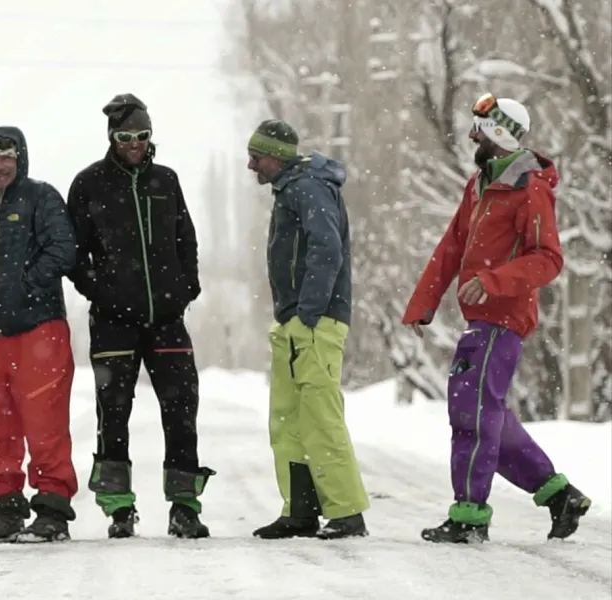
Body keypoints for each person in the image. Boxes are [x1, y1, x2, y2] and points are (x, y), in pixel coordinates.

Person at [401, 94, 592, 544]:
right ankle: (560, 495)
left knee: (473, 413)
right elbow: (452, 246)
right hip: (479, 321)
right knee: (488, 417)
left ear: (499, 135)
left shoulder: (530, 189)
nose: (471, 136)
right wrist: (422, 304)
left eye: (479, 129)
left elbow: (548, 259)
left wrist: (493, 280)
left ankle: (469, 518)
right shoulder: (479, 186)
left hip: (503, 319)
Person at [66, 93, 214, 540]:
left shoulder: (166, 181)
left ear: (151, 137)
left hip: (167, 317)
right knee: (113, 413)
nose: (135, 144)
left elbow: (185, 238)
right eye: (126, 136)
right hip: (114, 320)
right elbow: (74, 255)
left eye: (142, 136)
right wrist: (103, 290)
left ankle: (185, 506)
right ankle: (118, 507)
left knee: (181, 408)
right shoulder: (89, 184)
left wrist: (186, 287)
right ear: (112, 138)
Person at [245, 119, 370, 541]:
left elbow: (326, 248)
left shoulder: (308, 187)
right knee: (289, 419)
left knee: (320, 417)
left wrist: (309, 313)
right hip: (294, 323)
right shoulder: (292, 189)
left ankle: (347, 512)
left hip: (313, 323)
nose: (251, 165)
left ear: (276, 157)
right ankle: (300, 510)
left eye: (256, 156)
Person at [0, 126, 79, 544]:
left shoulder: (40, 198)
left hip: (40, 330)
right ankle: (7, 508)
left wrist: (28, 285)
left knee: (44, 424)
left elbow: (64, 250)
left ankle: (51, 511)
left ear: (20, 158)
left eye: (5, 157)